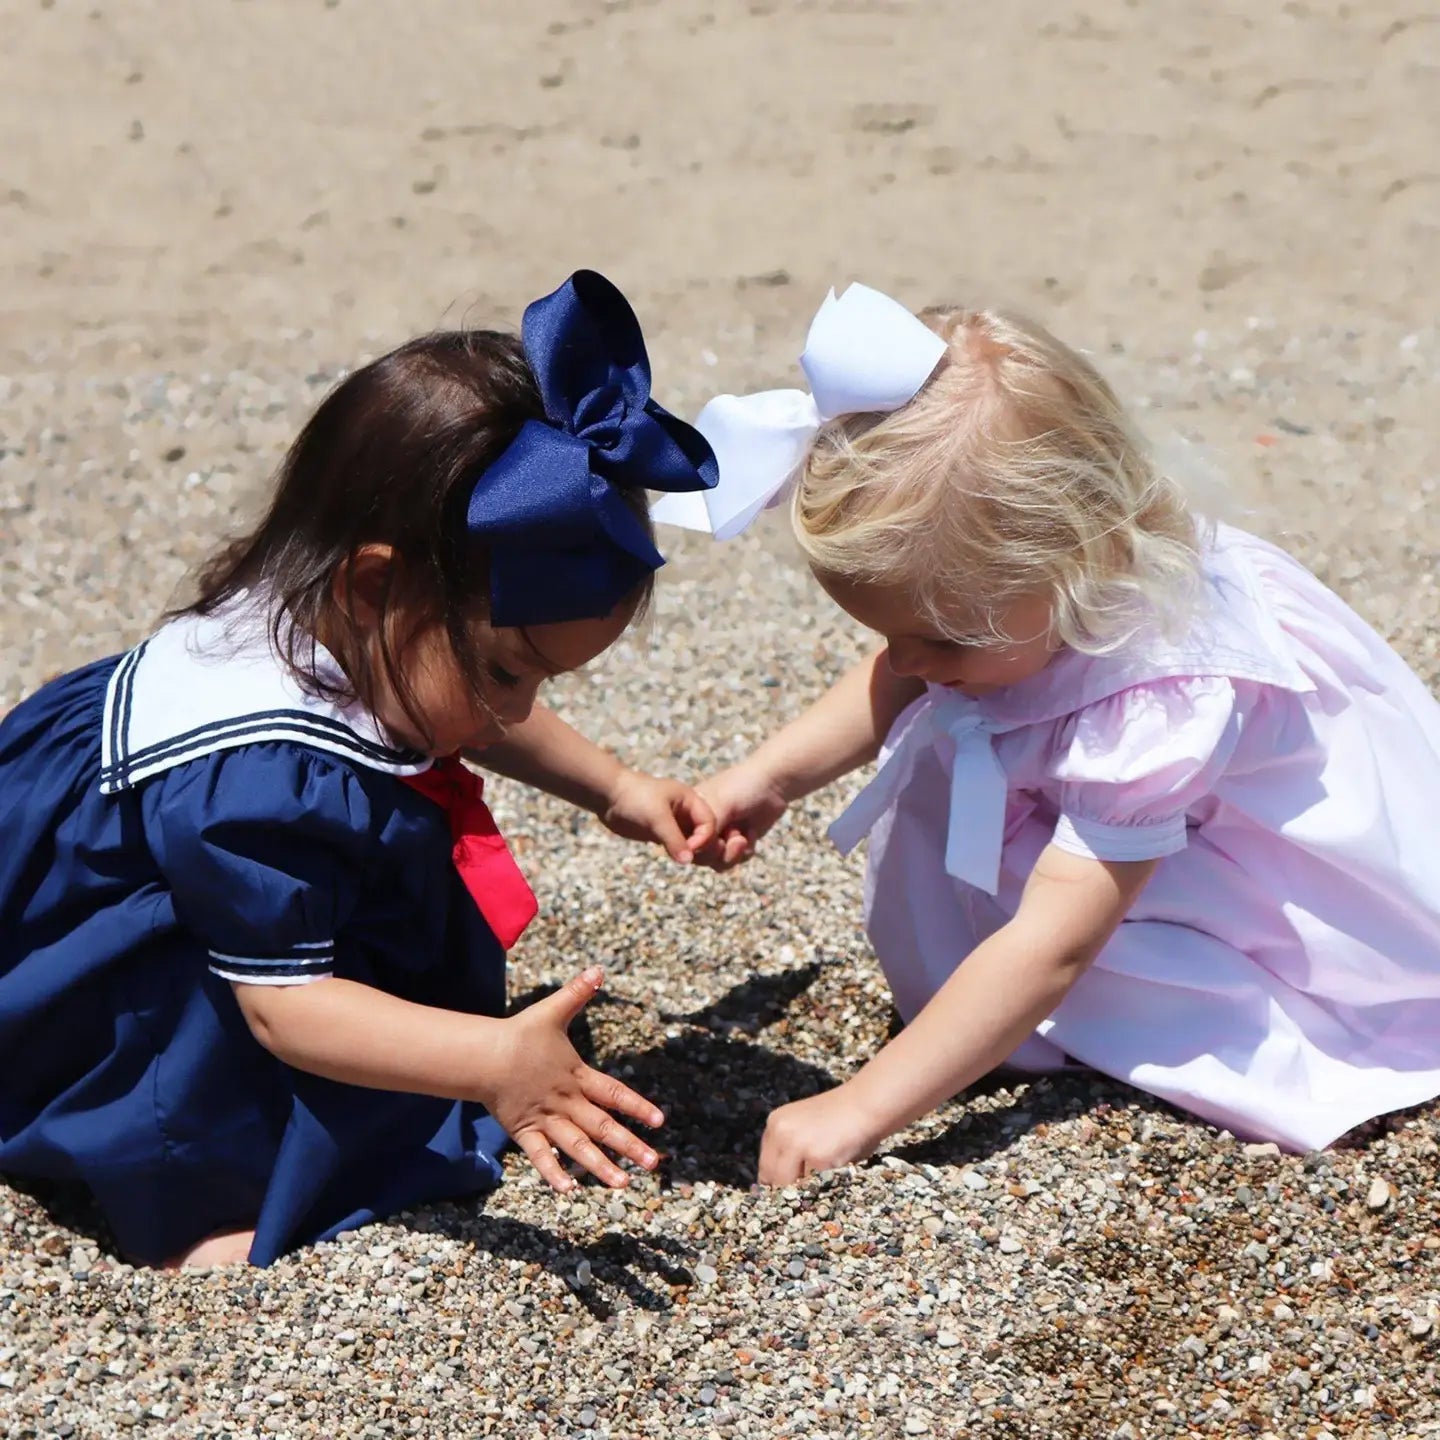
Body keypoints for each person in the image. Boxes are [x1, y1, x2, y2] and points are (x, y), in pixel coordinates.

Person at [0, 270, 719, 1266]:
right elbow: (285, 1008)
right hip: (124, 957)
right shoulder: (253, 782)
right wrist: (491, 1062)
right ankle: (193, 1216)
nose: (515, 712)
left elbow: (468, 711)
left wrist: (612, 787)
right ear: (374, 583)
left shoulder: (352, 625)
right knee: (213, 1094)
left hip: (228, 865)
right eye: (510, 674)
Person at [665, 282, 1440, 1181]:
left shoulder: (1154, 708)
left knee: (1124, 972)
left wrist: (861, 1106)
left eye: (941, 638)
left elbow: (1054, 943)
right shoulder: (1014, 611)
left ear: (1073, 558)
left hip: (1266, 875)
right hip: (1148, 819)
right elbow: (901, 675)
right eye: (894, 635)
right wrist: (770, 776)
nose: (910, 663)